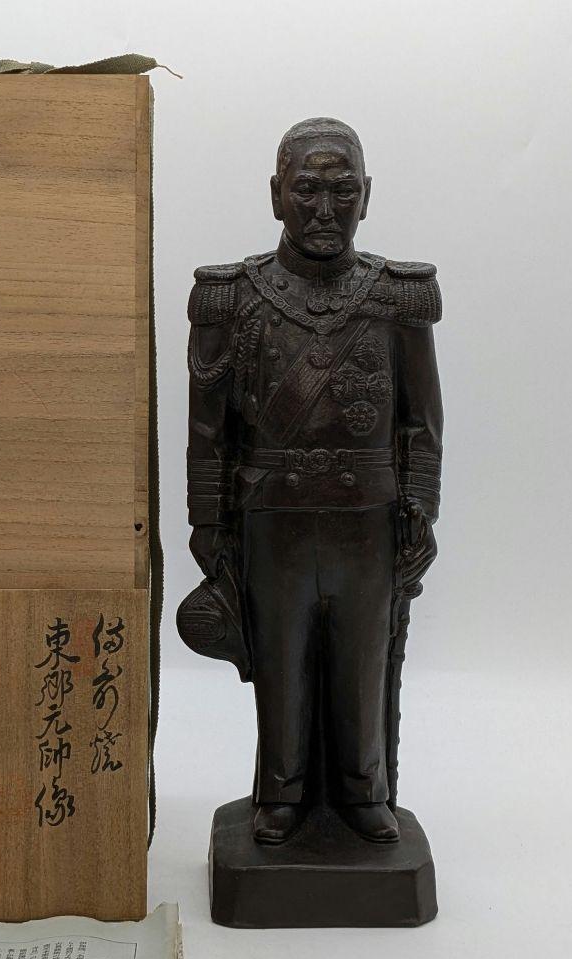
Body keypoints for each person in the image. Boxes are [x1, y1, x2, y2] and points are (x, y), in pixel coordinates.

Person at [182, 117, 442, 844]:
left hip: (369, 516)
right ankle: (281, 790)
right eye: (306, 191)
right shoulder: (233, 298)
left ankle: (363, 790)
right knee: (280, 659)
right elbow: (207, 429)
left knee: (362, 658)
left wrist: (420, 508)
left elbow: (421, 420)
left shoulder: (397, 296)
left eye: (342, 190)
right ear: (276, 195)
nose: (324, 209)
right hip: (272, 517)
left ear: (366, 197)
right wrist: (208, 524)